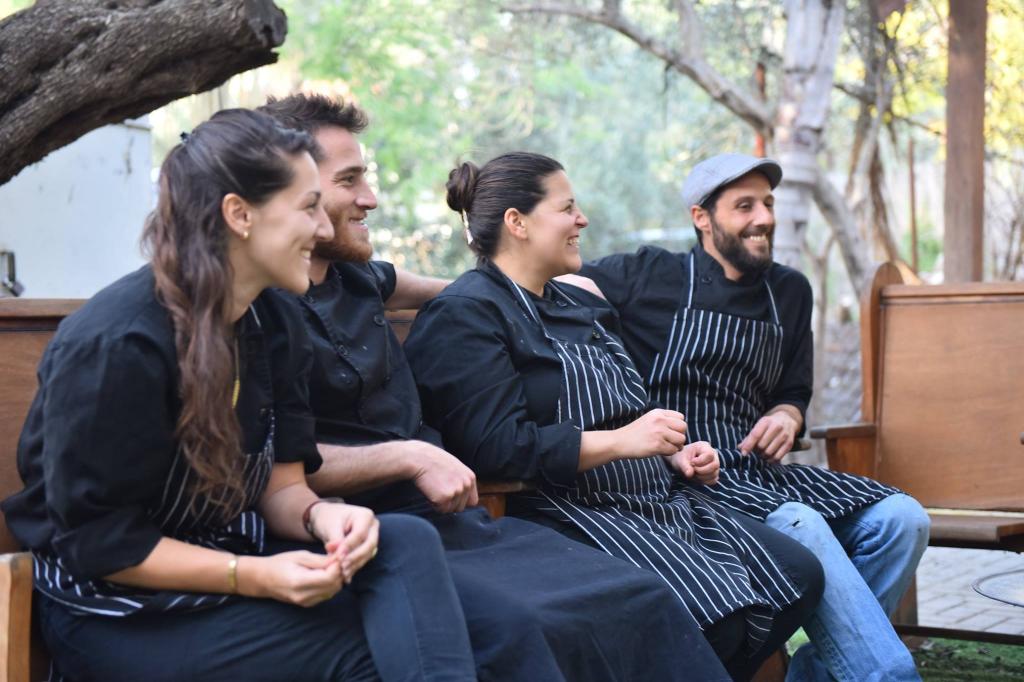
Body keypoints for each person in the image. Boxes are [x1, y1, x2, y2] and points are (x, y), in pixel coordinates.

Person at [259, 94, 729, 682]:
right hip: (360, 526)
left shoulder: (357, 275)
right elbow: (275, 468)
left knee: (638, 594)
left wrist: (516, 292)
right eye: (348, 180)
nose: (371, 198)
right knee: (540, 623)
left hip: (454, 519)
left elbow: (437, 288)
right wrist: (411, 455)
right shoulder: (262, 311)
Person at [0, 109, 480, 682]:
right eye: (308, 207)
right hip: (118, 607)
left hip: (236, 555)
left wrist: (323, 517)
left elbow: (283, 488)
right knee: (366, 657)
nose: (324, 230)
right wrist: (253, 577)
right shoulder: (118, 344)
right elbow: (102, 546)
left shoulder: (273, 320)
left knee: (406, 543)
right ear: (239, 214)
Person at [404, 151, 825, 681]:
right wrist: (624, 443)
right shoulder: (467, 314)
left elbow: (631, 406)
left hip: (659, 497)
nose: (582, 220)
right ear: (517, 222)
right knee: (721, 617)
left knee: (798, 574)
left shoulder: (577, 306)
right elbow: (498, 448)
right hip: (571, 508)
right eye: (567, 208)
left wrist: (676, 453)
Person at [577, 153, 931, 682]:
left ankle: (818, 674)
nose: (764, 217)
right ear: (702, 218)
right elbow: (551, 280)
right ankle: (887, 674)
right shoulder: (650, 274)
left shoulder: (790, 290)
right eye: (744, 206)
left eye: (767, 203)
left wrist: (787, 415)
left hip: (756, 470)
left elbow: (793, 391)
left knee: (902, 520)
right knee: (802, 523)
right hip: (684, 475)